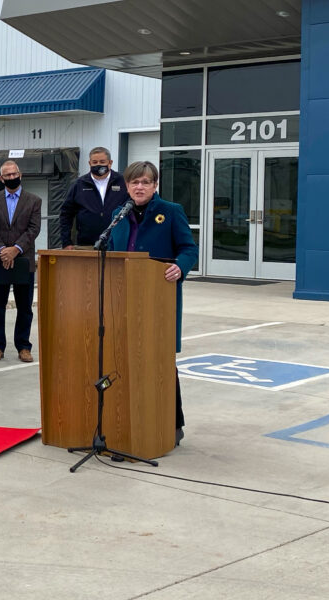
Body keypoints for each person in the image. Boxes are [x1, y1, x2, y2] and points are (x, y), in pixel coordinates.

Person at [108, 161, 198, 446]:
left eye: (145, 182)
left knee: (160, 363)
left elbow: (188, 248)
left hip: (157, 298)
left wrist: (181, 267)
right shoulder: (118, 214)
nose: (139, 187)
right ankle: (128, 419)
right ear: (127, 186)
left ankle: (172, 424)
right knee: (124, 359)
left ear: (155, 185)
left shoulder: (170, 212)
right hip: (122, 299)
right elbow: (110, 253)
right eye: (134, 182)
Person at [0, 160, 42, 363]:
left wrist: (15, 250)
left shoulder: (34, 200)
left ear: (20, 174)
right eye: (7, 175)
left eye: (14, 173)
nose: (11, 177)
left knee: (24, 307)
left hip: (23, 259)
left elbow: (33, 229)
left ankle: (24, 347)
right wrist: (2, 250)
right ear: (1, 178)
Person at [60, 147, 129, 249]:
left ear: (110, 163)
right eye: (95, 162)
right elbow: (66, 214)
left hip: (117, 244)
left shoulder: (123, 182)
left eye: (102, 162)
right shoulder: (79, 184)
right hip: (86, 245)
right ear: (89, 163)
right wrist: (66, 242)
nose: (98, 165)